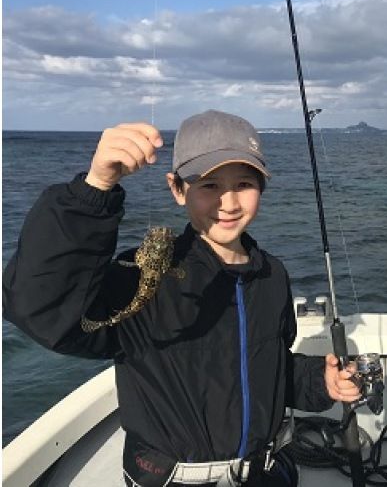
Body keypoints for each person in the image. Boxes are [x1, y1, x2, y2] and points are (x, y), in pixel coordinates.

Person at [3, 109, 361, 487]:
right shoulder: (138, 277)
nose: (229, 203)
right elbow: (39, 307)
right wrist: (95, 189)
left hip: (265, 473)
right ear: (177, 189)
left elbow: (269, 371)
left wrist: (319, 382)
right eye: (208, 185)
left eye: (243, 183)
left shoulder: (271, 275)